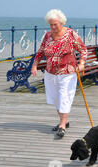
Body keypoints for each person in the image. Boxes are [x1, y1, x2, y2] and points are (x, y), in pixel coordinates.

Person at [31, 9, 87, 138]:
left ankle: (62, 125)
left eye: (55, 24)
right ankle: (64, 121)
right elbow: (41, 51)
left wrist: (82, 63)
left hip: (67, 71)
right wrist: (34, 65)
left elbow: (83, 49)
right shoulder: (48, 35)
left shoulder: (70, 34)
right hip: (50, 72)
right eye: (50, 24)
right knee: (55, 98)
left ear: (62, 22)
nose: (52, 27)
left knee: (64, 97)